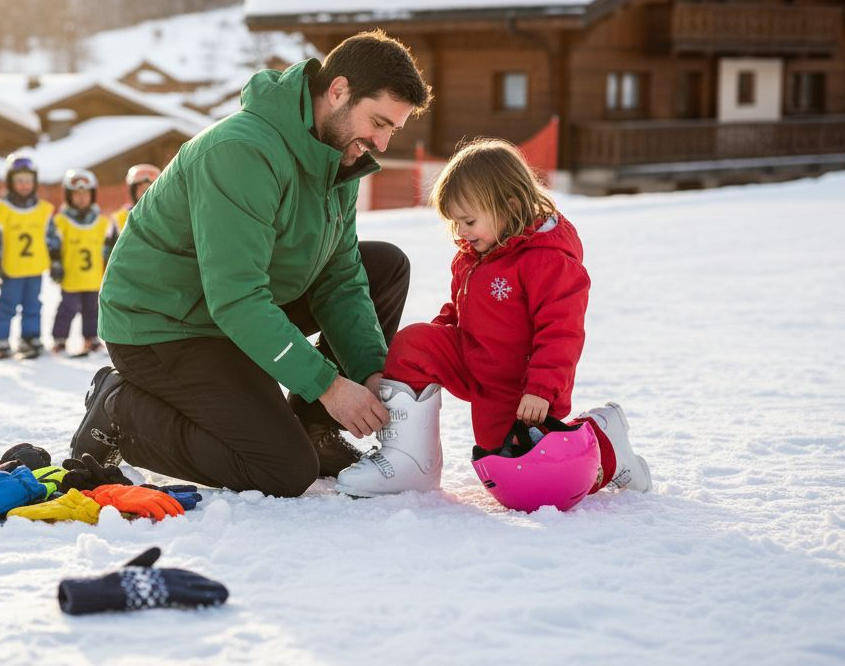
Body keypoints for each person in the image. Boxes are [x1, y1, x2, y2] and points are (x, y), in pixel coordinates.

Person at [68, 30, 432, 497]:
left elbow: (339, 279)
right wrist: (328, 384)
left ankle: (315, 431)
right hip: (164, 325)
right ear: (338, 91)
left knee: (383, 265)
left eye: (392, 130)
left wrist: (368, 371)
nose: (381, 142)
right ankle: (120, 409)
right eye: (378, 122)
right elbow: (237, 298)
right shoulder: (241, 151)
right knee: (281, 469)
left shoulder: (339, 157)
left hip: (234, 311)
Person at [336, 139, 651, 498]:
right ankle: (412, 463)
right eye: (455, 223)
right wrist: (438, 335)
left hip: (520, 390)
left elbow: (562, 333)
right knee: (414, 344)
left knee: (522, 478)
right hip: (474, 360)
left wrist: (541, 390)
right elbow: (460, 307)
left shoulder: (548, 260)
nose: (461, 233)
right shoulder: (476, 252)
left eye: (468, 221)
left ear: (510, 205)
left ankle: (605, 445)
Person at [0, 152, 53, 360]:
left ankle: (30, 338)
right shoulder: (0, 209)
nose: (24, 185)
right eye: (19, 181)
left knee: (33, 305)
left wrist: (57, 260)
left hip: (35, 267)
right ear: (10, 182)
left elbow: (51, 238)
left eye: (28, 181)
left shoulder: (44, 209)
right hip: (11, 268)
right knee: (7, 305)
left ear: (35, 182)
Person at [47, 168, 115, 357]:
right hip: (71, 276)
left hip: (93, 277)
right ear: (69, 196)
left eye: (85, 194)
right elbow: (53, 246)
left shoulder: (102, 222)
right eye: (77, 194)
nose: (81, 198)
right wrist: (56, 265)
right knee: (67, 309)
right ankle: (60, 339)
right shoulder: (61, 221)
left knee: (92, 310)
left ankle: (91, 339)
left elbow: (109, 249)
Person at [111, 163, 160, 234]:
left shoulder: (163, 213)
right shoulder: (120, 218)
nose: (145, 195)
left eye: (149, 190)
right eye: (139, 188)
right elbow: (109, 244)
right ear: (132, 191)